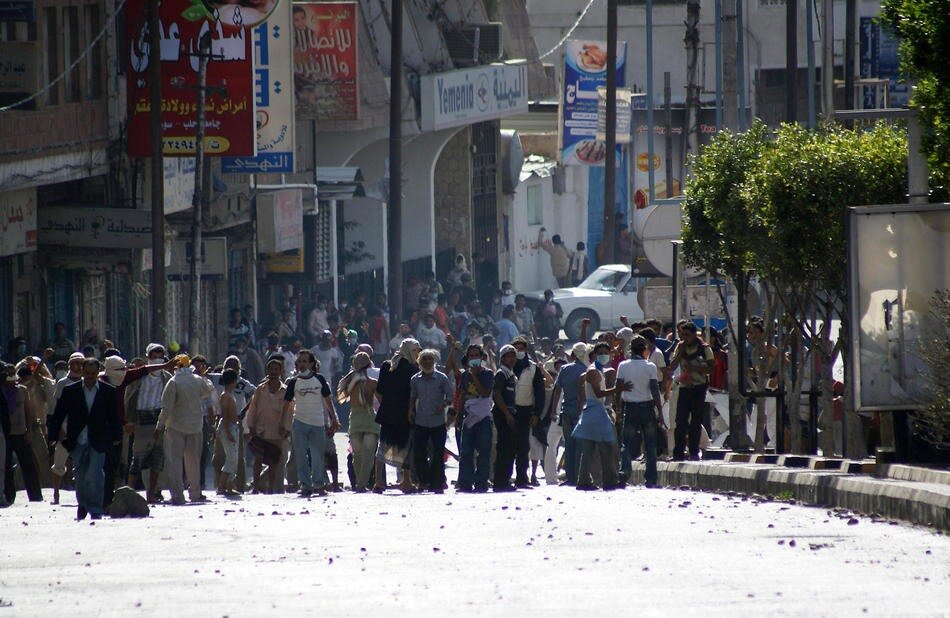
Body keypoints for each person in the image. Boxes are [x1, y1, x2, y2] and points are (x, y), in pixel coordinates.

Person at [50, 358, 121, 519]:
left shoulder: (108, 391)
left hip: (98, 440)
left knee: (95, 474)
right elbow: (59, 414)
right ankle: (83, 505)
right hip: (77, 440)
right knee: (81, 475)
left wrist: (117, 436)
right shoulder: (70, 391)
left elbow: (114, 416)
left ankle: (95, 508)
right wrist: (56, 435)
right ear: (82, 372)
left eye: (93, 373)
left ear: (98, 372)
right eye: (87, 373)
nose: (90, 376)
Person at [157, 355, 215, 505]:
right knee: (193, 461)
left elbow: (166, 407)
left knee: (174, 462)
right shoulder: (197, 380)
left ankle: (177, 495)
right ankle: (195, 493)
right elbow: (208, 389)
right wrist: (203, 376)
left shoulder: (173, 382)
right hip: (195, 426)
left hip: (175, 427)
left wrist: (159, 426)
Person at [572, 342, 628, 490]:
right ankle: (610, 480)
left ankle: (584, 481)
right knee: (607, 447)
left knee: (589, 450)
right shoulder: (594, 371)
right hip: (597, 411)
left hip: (592, 411)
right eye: (601, 352)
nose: (604, 355)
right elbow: (598, 393)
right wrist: (618, 388)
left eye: (606, 352)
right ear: (595, 355)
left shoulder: (597, 370)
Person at [284, 350, 339, 497]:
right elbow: (287, 404)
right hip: (299, 423)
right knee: (301, 456)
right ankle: (306, 486)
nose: (301, 364)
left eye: (304, 361)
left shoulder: (320, 380)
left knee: (317, 456)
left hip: (318, 423)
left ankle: (319, 485)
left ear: (312, 364)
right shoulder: (294, 382)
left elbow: (328, 401)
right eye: (299, 361)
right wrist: (284, 422)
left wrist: (334, 419)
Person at [616, 335, 665, 487]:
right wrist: (660, 412)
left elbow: (618, 389)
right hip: (647, 408)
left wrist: (618, 409)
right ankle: (650, 479)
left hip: (629, 408)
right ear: (645, 350)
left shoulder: (623, 366)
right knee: (650, 445)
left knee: (626, 444)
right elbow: (655, 391)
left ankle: (624, 473)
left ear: (630, 349)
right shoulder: (650, 366)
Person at [373, 339, 421, 493]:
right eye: (415, 350)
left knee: (384, 445)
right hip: (406, 413)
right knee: (406, 446)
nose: (417, 354)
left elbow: (379, 392)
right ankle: (406, 481)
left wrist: (387, 406)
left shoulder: (387, 365)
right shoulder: (413, 369)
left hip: (388, 413)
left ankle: (378, 482)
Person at [669, 322, 715, 461]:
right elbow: (672, 366)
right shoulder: (680, 347)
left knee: (695, 421)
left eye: (687, 335)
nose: (684, 338)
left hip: (699, 388)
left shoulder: (704, 349)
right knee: (680, 421)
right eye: (682, 335)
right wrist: (680, 352)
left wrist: (694, 368)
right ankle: (678, 453)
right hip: (684, 388)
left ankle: (694, 451)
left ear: (694, 335)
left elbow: (711, 368)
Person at [409, 349, 453, 493]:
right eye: (424, 359)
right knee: (419, 454)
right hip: (421, 420)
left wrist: (444, 405)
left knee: (438, 454)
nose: (427, 362)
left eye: (430, 359)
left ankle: (437, 483)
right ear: (420, 362)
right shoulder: (415, 379)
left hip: (438, 421)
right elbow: (413, 397)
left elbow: (450, 396)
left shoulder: (442, 378)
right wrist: (411, 410)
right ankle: (424, 480)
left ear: (434, 361)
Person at [246, 355, 291, 493]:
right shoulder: (260, 389)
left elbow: (290, 411)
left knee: (273, 461)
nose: (273, 372)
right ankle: (255, 487)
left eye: (276, 369)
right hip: (261, 430)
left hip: (277, 431)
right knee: (258, 460)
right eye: (271, 369)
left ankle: (271, 488)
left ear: (281, 371)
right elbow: (253, 408)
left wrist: (287, 428)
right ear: (267, 371)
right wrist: (251, 426)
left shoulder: (285, 390)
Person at [453, 344, 494, 493]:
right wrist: (458, 416)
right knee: (466, 451)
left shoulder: (488, 374)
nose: (474, 358)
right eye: (471, 355)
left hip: (483, 416)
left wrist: (474, 375)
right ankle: (465, 482)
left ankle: (481, 482)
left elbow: (484, 393)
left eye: (477, 355)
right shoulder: (465, 375)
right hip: (468, 416)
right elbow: (463, 395)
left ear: (482, 357)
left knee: (484, 450)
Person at [337, 352, 379, 491]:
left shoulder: (350, 381)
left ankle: (360, 484)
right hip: (368, 417)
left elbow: (342, 397)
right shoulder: (372, 382)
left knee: (359, 454)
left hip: (358, 417)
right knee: (366, 453)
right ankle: (362, 483)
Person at [2, 362, 43, 503]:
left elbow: (28, 411)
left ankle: (35, 496)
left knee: (28, 465)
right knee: (6, 466)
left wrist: (29, 430)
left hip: (21, 432)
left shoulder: (22, 390)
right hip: (6, 434)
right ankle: (8, 495)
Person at [549, 343, 589, 485]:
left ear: (572, 355)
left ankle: (571, 477)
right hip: (581, 413)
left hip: (566, 412)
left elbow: (557, 390)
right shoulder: (587, 370)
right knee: (579, 447)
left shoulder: (565, 369)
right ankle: (578, 477)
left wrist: (553, 410)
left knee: (569, 446)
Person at [511, 337, 546, 487]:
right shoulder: (507, 367)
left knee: (527, 446)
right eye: (516, 348)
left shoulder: (533, 368)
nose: (519, 351)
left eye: (521, 348)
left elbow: (540, 393)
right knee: (510, 446)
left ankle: (524, 478)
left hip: (527, 411)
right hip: (511, 412)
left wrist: (537, 414)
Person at [491, 345, 521, 492]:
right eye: (508, 356)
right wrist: (508, 414)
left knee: (510, 448)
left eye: (513, 356)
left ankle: (505, 480)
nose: (512, 358)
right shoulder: (501, 374)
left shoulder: (510, 374)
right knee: (504, 448)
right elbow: (496, 394)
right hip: (502, 414)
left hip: (510, 413)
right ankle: (500, 481)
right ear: (502, 358)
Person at [216, 369, 241, 496]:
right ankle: (222, 486)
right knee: (231, 458)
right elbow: (224, 416)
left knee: (233, 458)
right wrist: (228, 432)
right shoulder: (225, 396)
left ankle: (229, 486)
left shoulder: (229, 394)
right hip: (228, 427)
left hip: (232, 426)